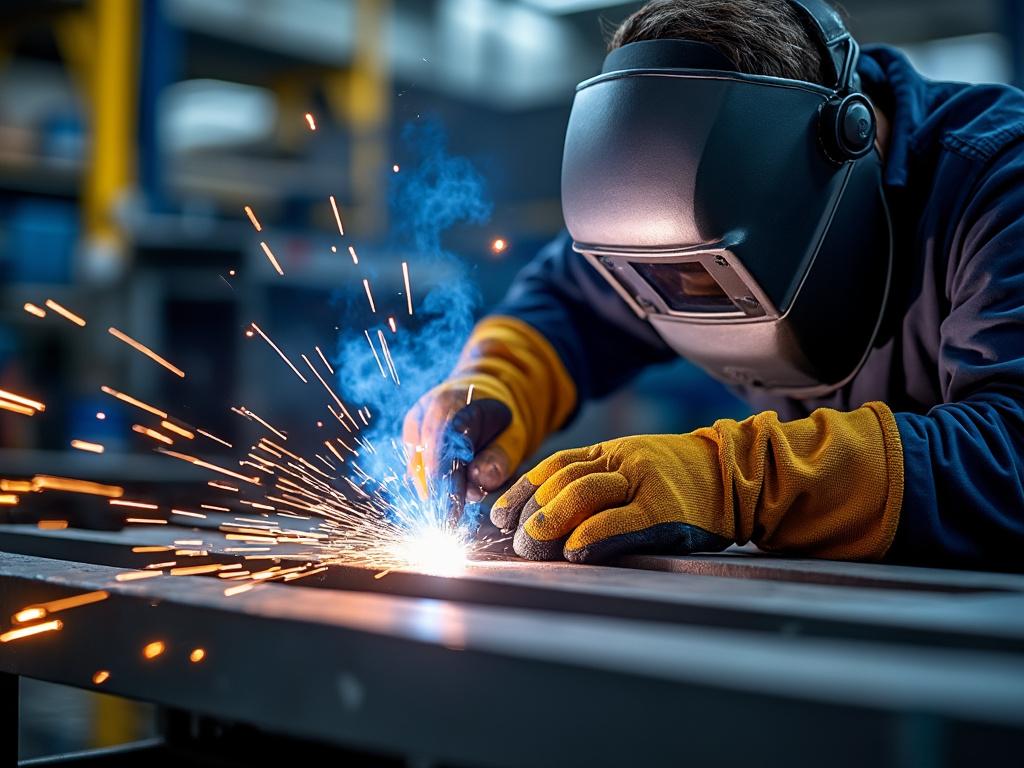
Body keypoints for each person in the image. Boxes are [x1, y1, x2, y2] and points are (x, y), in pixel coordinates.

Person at [402, 0, 1024, 569]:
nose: (675, 285)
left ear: (843, 146)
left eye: (705, 268)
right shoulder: (648, 224)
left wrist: (740, 481)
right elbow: (566, 303)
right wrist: (494, 384)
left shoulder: (1000, 181)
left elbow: (1011, 453)